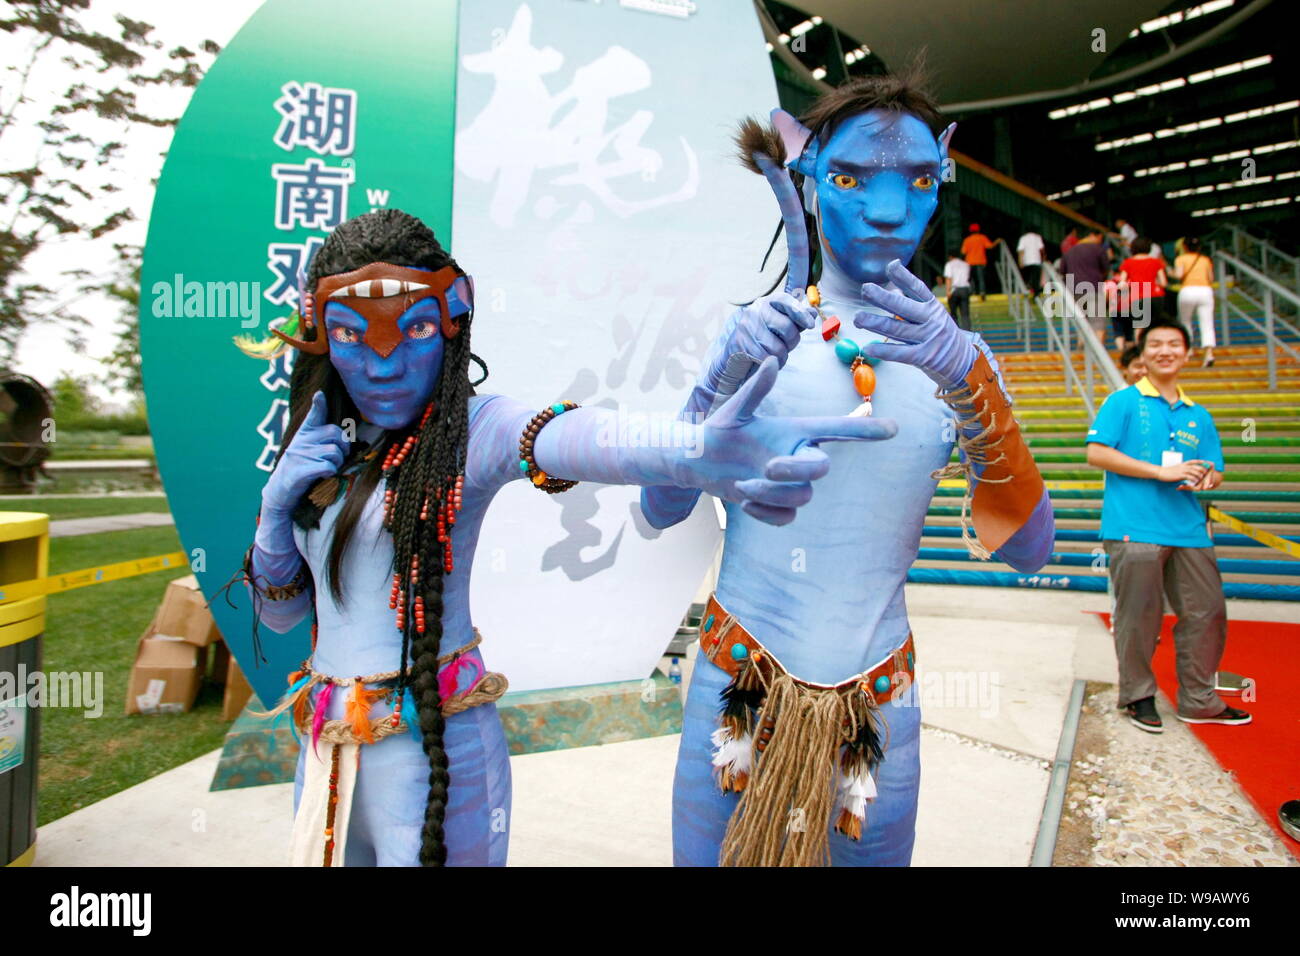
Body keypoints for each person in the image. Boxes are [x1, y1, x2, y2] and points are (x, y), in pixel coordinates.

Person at [243, 209, 888, 867]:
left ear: (453, 324)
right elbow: (282, 612)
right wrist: (275, 509)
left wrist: (689, 449)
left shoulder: (474, 428)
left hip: (441, 759)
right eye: (353, 336)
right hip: (326, 759)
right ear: (319, 336)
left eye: (415, 330)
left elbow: (575, 439)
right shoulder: (321, 445)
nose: (384, 363)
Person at [642, 68, 1054, 867]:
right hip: (738, 694)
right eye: (852, 177)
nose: (889, 210)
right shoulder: (751, 339)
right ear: (804, 173)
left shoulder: (963, 365)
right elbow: (659, 510)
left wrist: (972, 389)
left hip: (879, 705)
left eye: (918, 181)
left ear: (940, 182)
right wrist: (713, 385)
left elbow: (1030, 549)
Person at [1085, 321, 1250, 733]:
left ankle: (1199, 699)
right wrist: (1160, 471)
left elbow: (1217, 470)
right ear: (1143, 353)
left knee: (1207, 612)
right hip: (1134, 526)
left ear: (1187, 354)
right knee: (1140, 616)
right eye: (1156, 344)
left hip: (1188, 527)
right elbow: (1097, 453)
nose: (1165, 350)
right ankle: (1138, 695)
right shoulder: (1122, 401)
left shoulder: (1199, 415)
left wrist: (1209, 477)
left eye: (1174, 344)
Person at [1115, 237, 1168, 351]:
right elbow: (1163, 283)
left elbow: (1122, 282)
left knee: (1139, 326)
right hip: (1156, 295)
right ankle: (1158, 348)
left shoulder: (1128, 263)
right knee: (1156, 325)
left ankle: (1141, 351)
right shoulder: (1156, 262)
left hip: (1137, 296)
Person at [1172, 237, 1217, 367]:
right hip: (1205, 291)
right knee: (1207, 322)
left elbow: (1179, 275)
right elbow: (1211, 278)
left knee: (1186, 321)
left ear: (1184, 247)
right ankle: (1209, 354)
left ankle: (1188, 349)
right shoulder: (1205, 260)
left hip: (1188, 290)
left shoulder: (1181, 259)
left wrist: (1170, 272)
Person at [1061, 227, 1111, 343]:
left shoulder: (1070, 251)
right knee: (1098, 321)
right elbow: (1106, 269)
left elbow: (1062, 271)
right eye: (1100, 238)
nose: (1100, 241)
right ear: (1094, 235)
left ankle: (1081, 348)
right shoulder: (1098, 249)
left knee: (1082, 320)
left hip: (1074, 288)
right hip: (1094, 287)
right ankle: (1099, 355)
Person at [961, 223, 1002, 301]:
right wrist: (997, 241)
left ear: (970, 231)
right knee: (981, 278)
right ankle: (982, 292)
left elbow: (963, 252)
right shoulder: (982, 238)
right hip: (980, 261)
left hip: (969, 262)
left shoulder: (967, 240)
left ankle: (971, 292)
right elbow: (990, 246)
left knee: (970, 278)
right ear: (978, 230)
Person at [943, 251, 973, 330]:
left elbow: (949, 279)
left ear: (950, 257)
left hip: (954, 290)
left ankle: (956, 332)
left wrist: (948, 291)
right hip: (965, 289)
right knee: (965, 314)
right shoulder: (966, 264)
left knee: (953, 313)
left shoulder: (949, 264)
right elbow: (968, 278)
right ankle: (968, 332)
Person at [1016, 228, 1046, 295]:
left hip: (1027, 261)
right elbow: (1041, 249)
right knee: (1036, 278)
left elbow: (1021, 251)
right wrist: (1043, 258)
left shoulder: (1023, 238)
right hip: (1036, 261)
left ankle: (1030, 289)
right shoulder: (1038, 237)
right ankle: (1036, 292)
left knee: (1029, 277)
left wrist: (1020, 261)